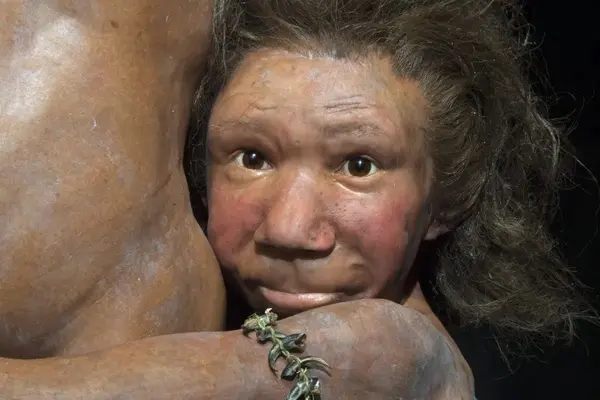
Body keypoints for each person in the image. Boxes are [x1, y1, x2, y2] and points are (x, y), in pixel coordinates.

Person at [0, 0, 473, 399]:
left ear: (448, 197)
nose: (287, 230)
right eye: (253, 158)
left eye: (358, 166)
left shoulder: (405, 356)